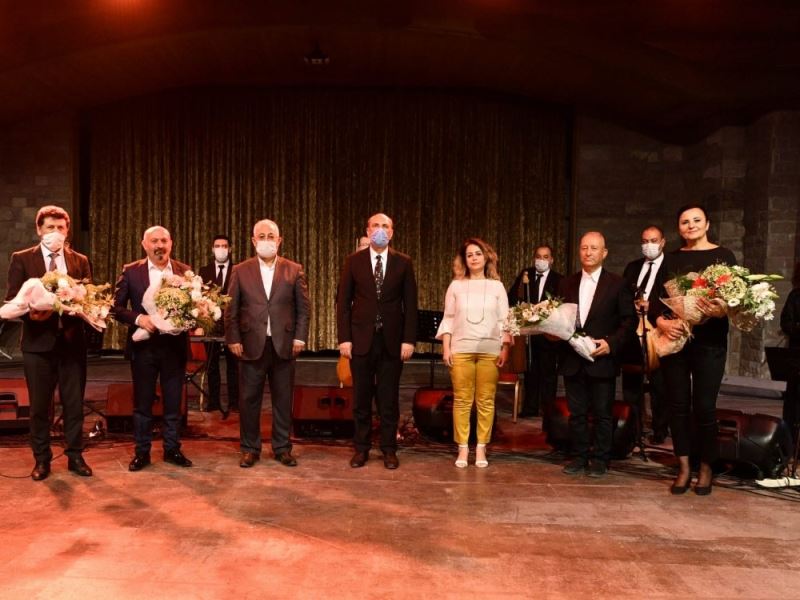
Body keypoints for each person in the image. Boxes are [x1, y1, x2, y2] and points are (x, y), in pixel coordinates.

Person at [652, 205, 737, 496]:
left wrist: (720, 309)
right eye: (685, 222)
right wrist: (662, 323)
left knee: (704, 407)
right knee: (677, 405)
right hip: (676, 340)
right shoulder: (671, 259)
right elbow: (656, 302)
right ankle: (684, 466)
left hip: (710, 342)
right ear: (679, 228)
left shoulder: (724, 256)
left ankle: (706, 467)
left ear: (707, 224)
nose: (691, 225)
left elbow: (735, 301)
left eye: (696, 220)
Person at [4, 205, 93, 480]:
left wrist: (83, 306)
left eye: (61, 228)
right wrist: (31, 313)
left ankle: (75, 456)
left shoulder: (80, 260)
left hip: (72, 344)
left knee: (74, 405)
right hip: (37, 345)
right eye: (50, 227)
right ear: (39, 230)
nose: (56, 232)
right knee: (40, 407)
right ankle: (41, 460)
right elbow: (12, 300)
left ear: (67, 231)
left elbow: (89, 296)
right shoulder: (22, 258)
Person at [225, 219, 310, 468]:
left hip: (284, 345)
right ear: (253, 241)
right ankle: (250, 448)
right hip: (250, 344)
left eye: (270, 236)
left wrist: (300, 336)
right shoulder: (240, 270)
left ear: (279, 240)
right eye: (261, 237)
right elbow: (231, 309)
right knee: (248, 400)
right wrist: (233, 338)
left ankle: (282, 447)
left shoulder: (294, 269)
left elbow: (304, 309)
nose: (266, 241)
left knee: (283, 400)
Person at [337, 213, 418, 469]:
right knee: (361, 399)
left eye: (385, 226)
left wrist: (409, 340)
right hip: (361, 340)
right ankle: (361, 448)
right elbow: (343, 304)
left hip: (391, 341)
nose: (380, 230)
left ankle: (389, 449)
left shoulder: (403, 262)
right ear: (368, 230)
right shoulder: (354, 261)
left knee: (388, 399)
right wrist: (344, 338)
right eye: (375, 226)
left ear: (391, 233)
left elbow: (411, 305)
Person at [113, 225, 193, 471]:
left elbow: (194, 305)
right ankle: (142, 452)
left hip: (174, 348)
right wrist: (140, 319)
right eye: (154, 241)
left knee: (173, 403)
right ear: (144, 245)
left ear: (171, 243)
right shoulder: (131, 271)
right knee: (143, 404)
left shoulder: (184, 271)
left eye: (163, 241)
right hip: (143, 350)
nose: (159, 245)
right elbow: (116, 308)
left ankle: (172, 449)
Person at [558, 231, 636, 478]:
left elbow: (629, 321)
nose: (588, 252)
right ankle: (579, 456)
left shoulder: (618, 283)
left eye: (594, 248)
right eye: (584, 248)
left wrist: (611, 344)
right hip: (573, 359)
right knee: (577, 413)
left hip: (602, 358)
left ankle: (601, 459)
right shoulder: (566, 283)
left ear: (604, 253)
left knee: (603, 413)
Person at [436, 238, 510, 468]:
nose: (474, 258)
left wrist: (505, 347)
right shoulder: (456, 286)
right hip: (461, 349)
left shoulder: (497, 286)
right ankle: (462, 447)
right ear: (464, 260)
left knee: (486, 400)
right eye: (469, 255)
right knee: (462, 400)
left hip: (490, 350)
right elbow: (448, 318)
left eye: (478, 253)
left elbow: (505, 320)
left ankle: (481, 447)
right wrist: (446, 348)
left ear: (486, 257)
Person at [621, 225, 669, 444]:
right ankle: (633, 428)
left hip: (659, 330)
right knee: (631, 382)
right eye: (645, 241)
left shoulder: (670, 267)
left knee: (660, 384)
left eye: (653, 241)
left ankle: (660, 429)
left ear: (663, 242)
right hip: (634, 330)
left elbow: (674, 300)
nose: (648, 245)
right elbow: (622, 295)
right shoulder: (632, 267)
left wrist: (652, 308)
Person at [507, 244, 563, 420]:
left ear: (551, 260)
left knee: (548, 373)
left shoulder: (559, 280)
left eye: (545, 257)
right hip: (529, 335)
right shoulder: (526, 275)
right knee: (530, 371)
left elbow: (561, 305)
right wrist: (522, 309)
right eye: (538, 256)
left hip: (548, 335)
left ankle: (548, 409)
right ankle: (530, 407)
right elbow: (512, 297)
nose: (541, 260)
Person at [198, 234, 239, 416]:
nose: (221, 249)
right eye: (217, 246)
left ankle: (234, 403)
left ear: (229, 249)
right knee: (212, 365)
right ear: (212, 249)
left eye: (224, 246)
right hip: (210, 324)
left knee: (233, 366)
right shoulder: (204, 271)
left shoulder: (238, 270)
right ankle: (213, 401)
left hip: (232, 325)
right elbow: (199, 297)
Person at [779, 262, 800, 442]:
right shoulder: (796, 296)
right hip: (797, 358)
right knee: (794, 404)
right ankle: (790, 444)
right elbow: (786, 323)